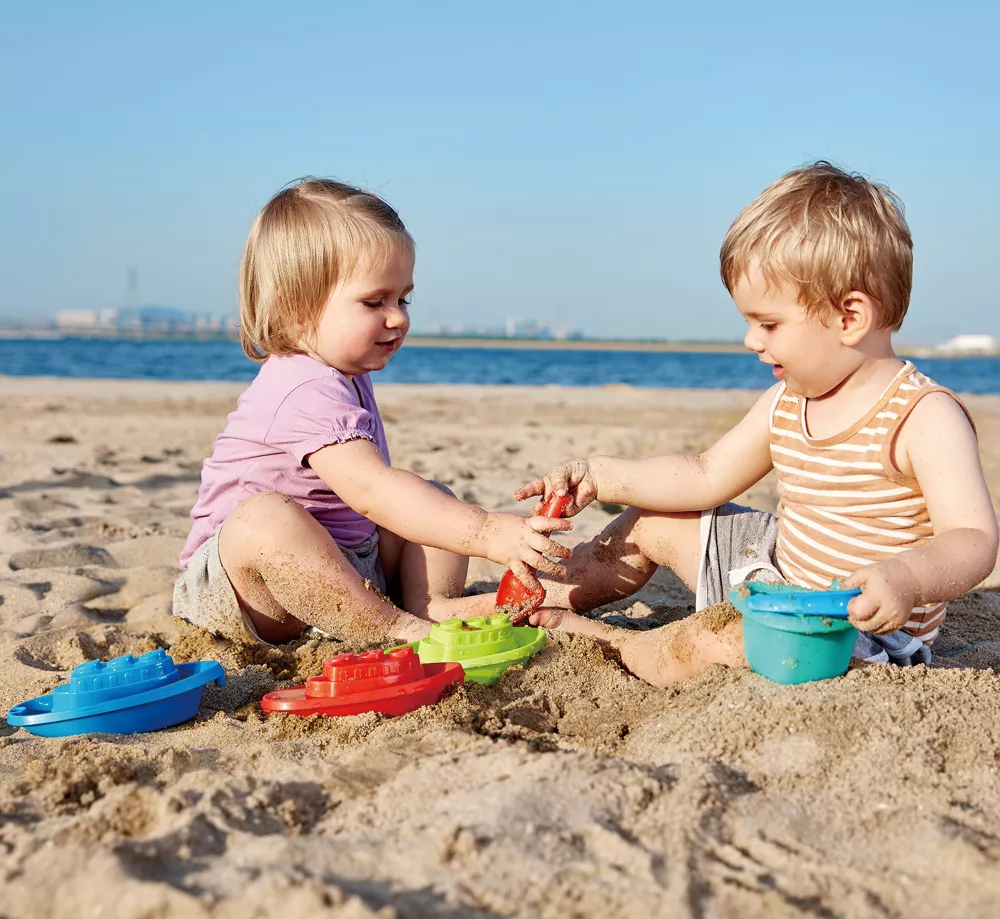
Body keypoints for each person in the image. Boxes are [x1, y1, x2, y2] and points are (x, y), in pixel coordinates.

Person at [515, 162, 998, 685]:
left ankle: (619, 644)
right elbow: (703, 475)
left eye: (768, 323)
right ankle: (549, 596)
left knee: (725, 637)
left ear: (849, 317)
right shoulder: (784, 401)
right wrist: (602, 475)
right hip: (777, 577)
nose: (751, 340)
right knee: (653, 519)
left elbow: (973, 538)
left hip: (858, 627)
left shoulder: (923, 416)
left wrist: (905, 577)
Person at [175, 178, 570, 646]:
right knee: (266, 518)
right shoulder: (300, 385)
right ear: (297, 309)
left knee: (429, 494)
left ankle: (428, 606)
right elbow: (370, 490)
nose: (399, 317)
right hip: (247, 589)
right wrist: (485, 532)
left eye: (403, 298)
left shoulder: (344, 372)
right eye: (374, 301)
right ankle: (393, 626)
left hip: (343, 566)